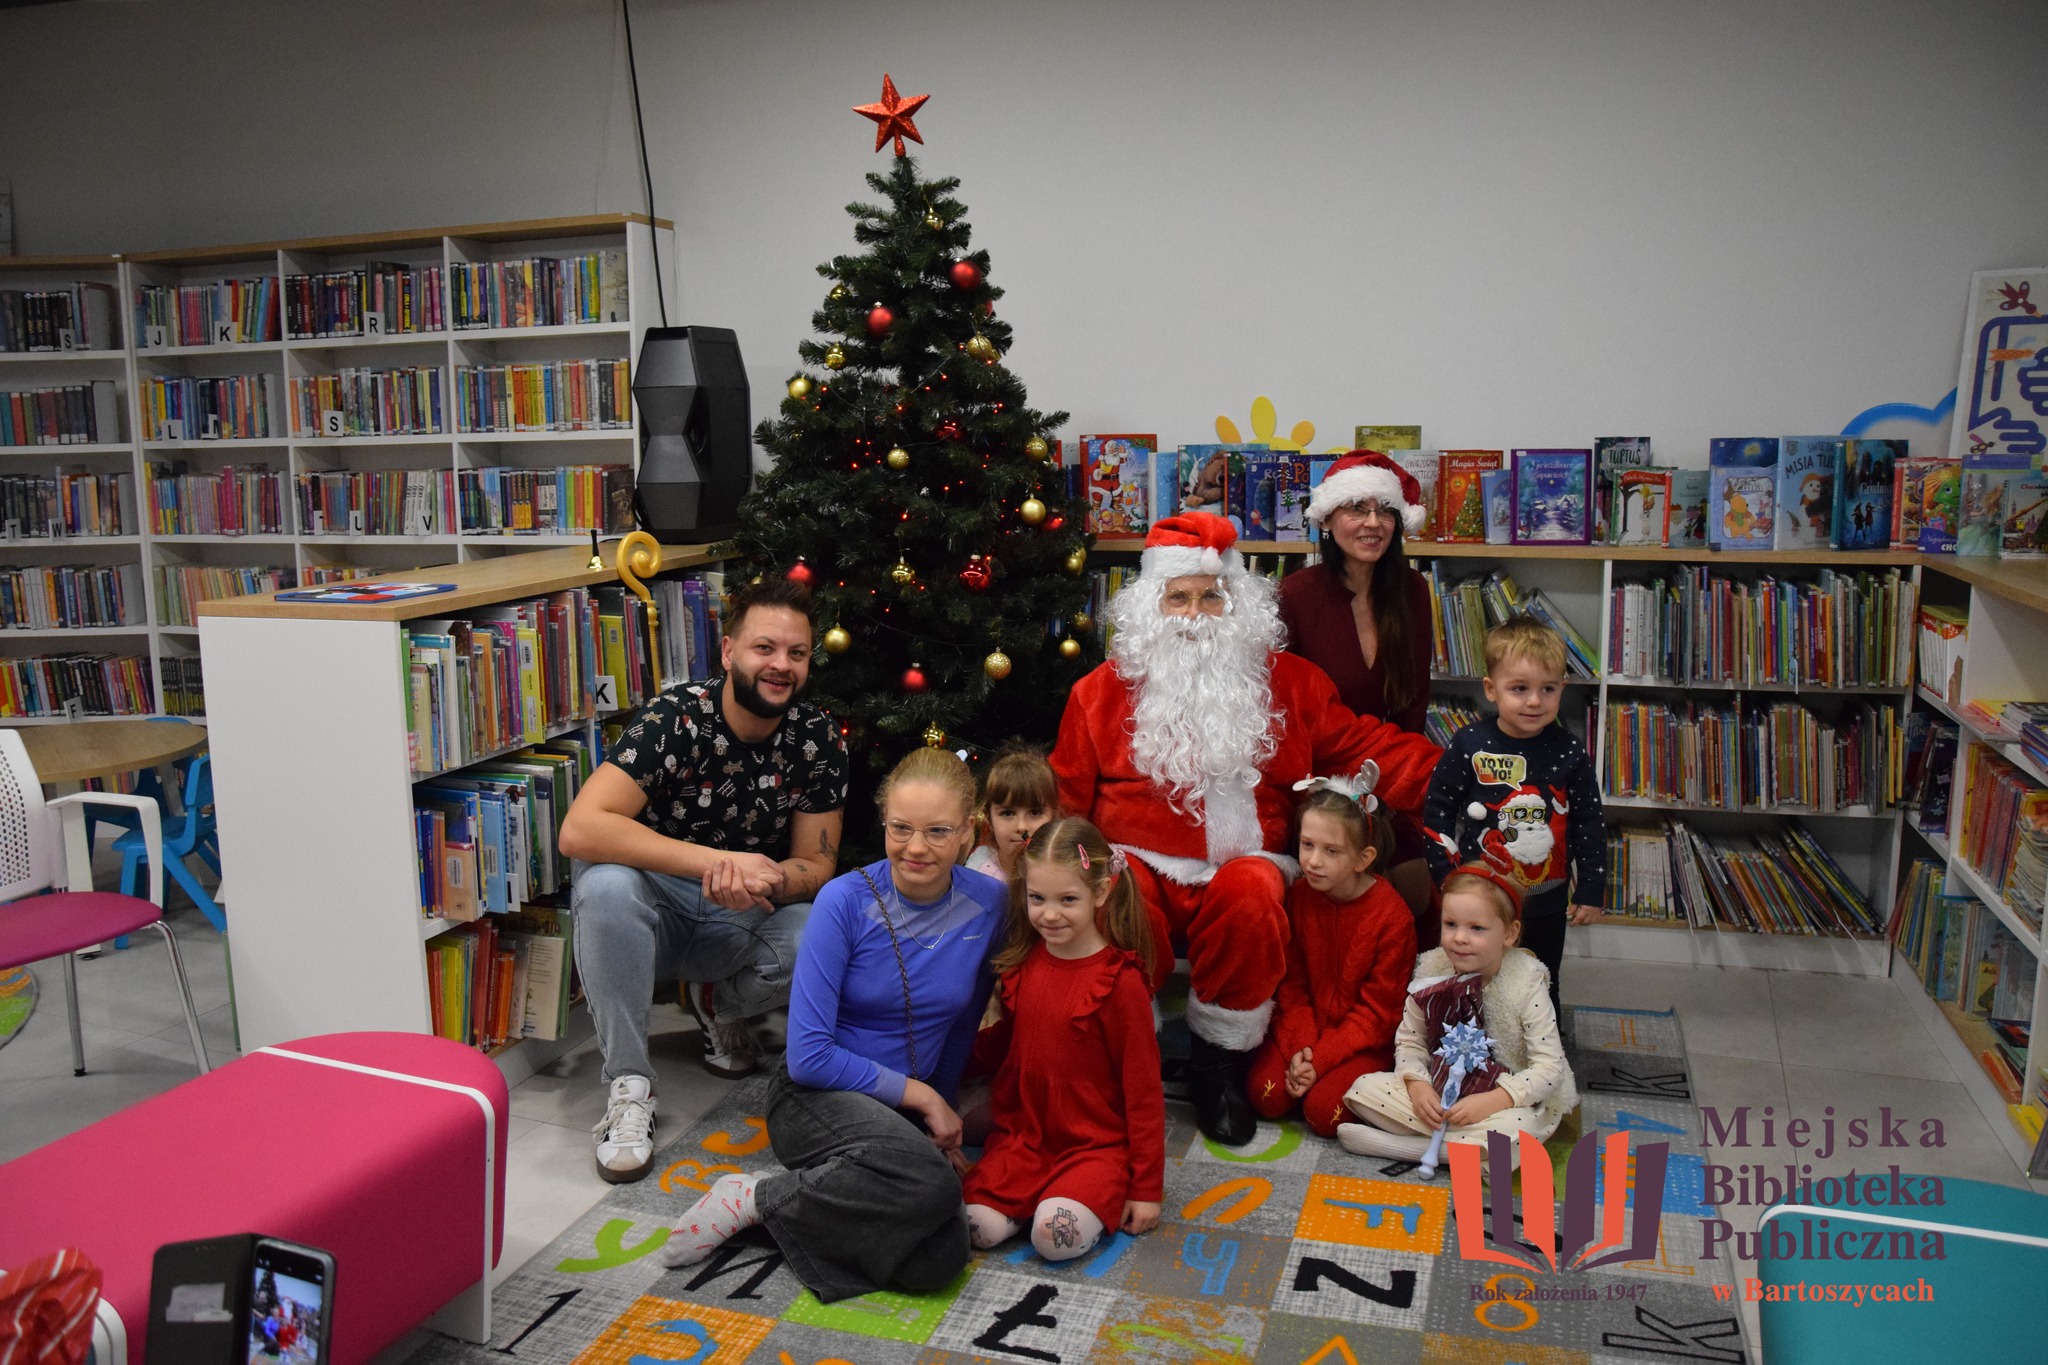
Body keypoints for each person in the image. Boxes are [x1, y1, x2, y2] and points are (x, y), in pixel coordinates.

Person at [1051, 511, 1441, 1145]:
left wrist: (1460, 779)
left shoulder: (1290, 684)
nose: (1198, 613)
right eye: (1180, 597)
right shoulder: (1098, 694)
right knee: (1116, 897)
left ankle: (1217, 1066)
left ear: (1237, 604)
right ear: (1154, 605)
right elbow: (1064, 798)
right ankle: (1126, 1057)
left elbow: (1368, 747)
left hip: (1247, 862)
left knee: (1253, 895)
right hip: (1137, 859)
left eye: (1213, 596)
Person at [658, 747, 1006, 1301]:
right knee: (933, 1189)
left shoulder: (991, 904)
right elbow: (809, 1056)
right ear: (883, 822)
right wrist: (924, 1098)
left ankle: (770, 1219)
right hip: (814, 1096)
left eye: (938, 831)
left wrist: (936, 1118)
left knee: (939, 1261)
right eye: (901, 828)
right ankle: (749, 1197)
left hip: (900, 1113)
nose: (916, 848)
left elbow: (961, 1024)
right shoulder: (843, 901)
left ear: (969, 831)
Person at [558, 578, 850, 1183]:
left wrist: (764, 880)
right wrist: (713, 864)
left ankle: (716, 1003)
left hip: (743, 912)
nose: (781, 666)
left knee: (829, 927)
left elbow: (817, 866)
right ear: (729, 652)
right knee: (605, 885)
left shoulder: (818, 738)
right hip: (655, 907)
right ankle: (630, 1087)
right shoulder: (675, 717)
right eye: (764, 648)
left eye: (797, 654)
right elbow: (580, 829)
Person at [961, 818, 1165, 1260]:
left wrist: (1146, 1188)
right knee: (973, 1227)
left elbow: (1144, 1092)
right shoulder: (1024, 964)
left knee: (1054, 1238)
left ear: (1102, 892)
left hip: (1095, 1147)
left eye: (1067, 900)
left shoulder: (1119, 983)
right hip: (1023, 1141)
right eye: (1037, 899)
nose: (1049, 915)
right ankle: (1028, 1200)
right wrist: (941, 1061)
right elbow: (1002, 1044)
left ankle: (1056, 1203)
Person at [1417, 614, 1604, 1021]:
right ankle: (1468, 1048)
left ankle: (1542, 1053)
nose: (1535, 701)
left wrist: (1591, 888)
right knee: (1473, 973)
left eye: (1548, 689)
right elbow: (1438, 809)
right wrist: (1445, 875)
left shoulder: (1569, 750)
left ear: (1562, 689)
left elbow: (1589, 821)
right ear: (1491, 689)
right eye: (1519, 689)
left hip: (1547, 897)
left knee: (1541, 976)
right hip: (1481, 892)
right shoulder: (1469, 743)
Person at [1281, 449, 1438, 922]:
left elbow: (1413, 702)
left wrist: (1393, 794)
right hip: (1317, 779)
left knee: (1416, 887)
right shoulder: (1297, 594)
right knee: (1336, 881)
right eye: (1358, 509)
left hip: (1386, 771)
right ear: (1328, 519)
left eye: (1385, 510)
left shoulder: (1412, 591)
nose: (1374, 523)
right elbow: (1289, 715)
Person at [1336, 866, 1577, 1165]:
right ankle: (1461, 1149)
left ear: (1510, 933)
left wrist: (1494, 1100)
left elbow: (1549, 1068)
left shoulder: (1527, 982)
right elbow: (1410, 1043)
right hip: (1441, 1088)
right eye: (1450, 924)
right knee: (1363, 1089)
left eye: (1476, 928)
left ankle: (1410, 1148)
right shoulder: (1430, 971)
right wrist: (1418, 1085)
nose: (1459, 937)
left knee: (1520, 1131)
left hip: (1505, 1100)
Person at [1244, 768, 1417, 1138]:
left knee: (1324, 1114)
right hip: (1303, 1028)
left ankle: (1323, 1080)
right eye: (1307, 845)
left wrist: (1319, 1060)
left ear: (1363, 858)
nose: (1313, 861)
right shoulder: (1299, 897)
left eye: (1331, 851)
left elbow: (1379, 1012)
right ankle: (1305, 1070)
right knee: (1266, 1096)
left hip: (1361, 1042)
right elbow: (1290, 984)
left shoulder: (1392, 917)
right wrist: (1300, 1048)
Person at [965, 742, 1058, 882]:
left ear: (1053, 815)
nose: (1021, 827)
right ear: (989, 818)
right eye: (1008, 813)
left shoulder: (1067, 870)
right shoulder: (979, 872)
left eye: (1035, 812)